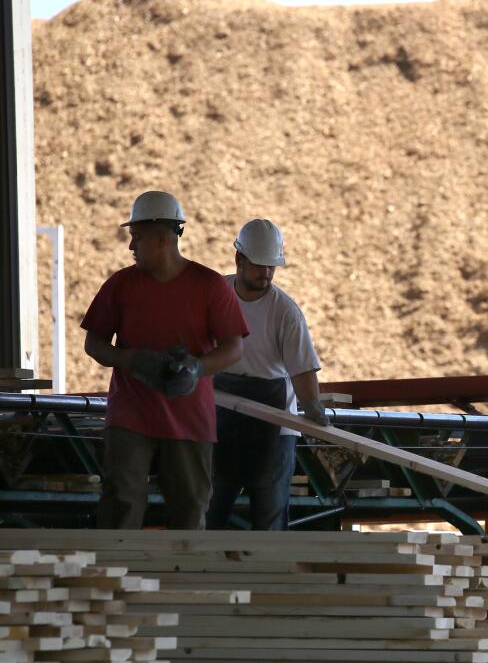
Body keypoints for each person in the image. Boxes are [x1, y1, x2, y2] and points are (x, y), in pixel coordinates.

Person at [81, 190, 248, 529]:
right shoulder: (121, 285)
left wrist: (196, 368)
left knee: (189, 508)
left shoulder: (210, 286)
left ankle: (185, 580)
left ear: (161, 238)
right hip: (130, 415)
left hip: (189, 417)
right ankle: (115, 578)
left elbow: (234, 347)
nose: (131, 247)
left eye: (136, 237)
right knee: (121, 504)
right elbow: (94, 343)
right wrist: (131, 360)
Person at [205, 218, 327, 531]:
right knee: (209, 507)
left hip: (274, 420)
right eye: (260, 265)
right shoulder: (214, 295)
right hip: (221, 411)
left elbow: (302, 369)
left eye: (272, 266)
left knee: (270, 513)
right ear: (239, 260)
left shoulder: (285, 311)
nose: (267, 273)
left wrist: (313, 407)